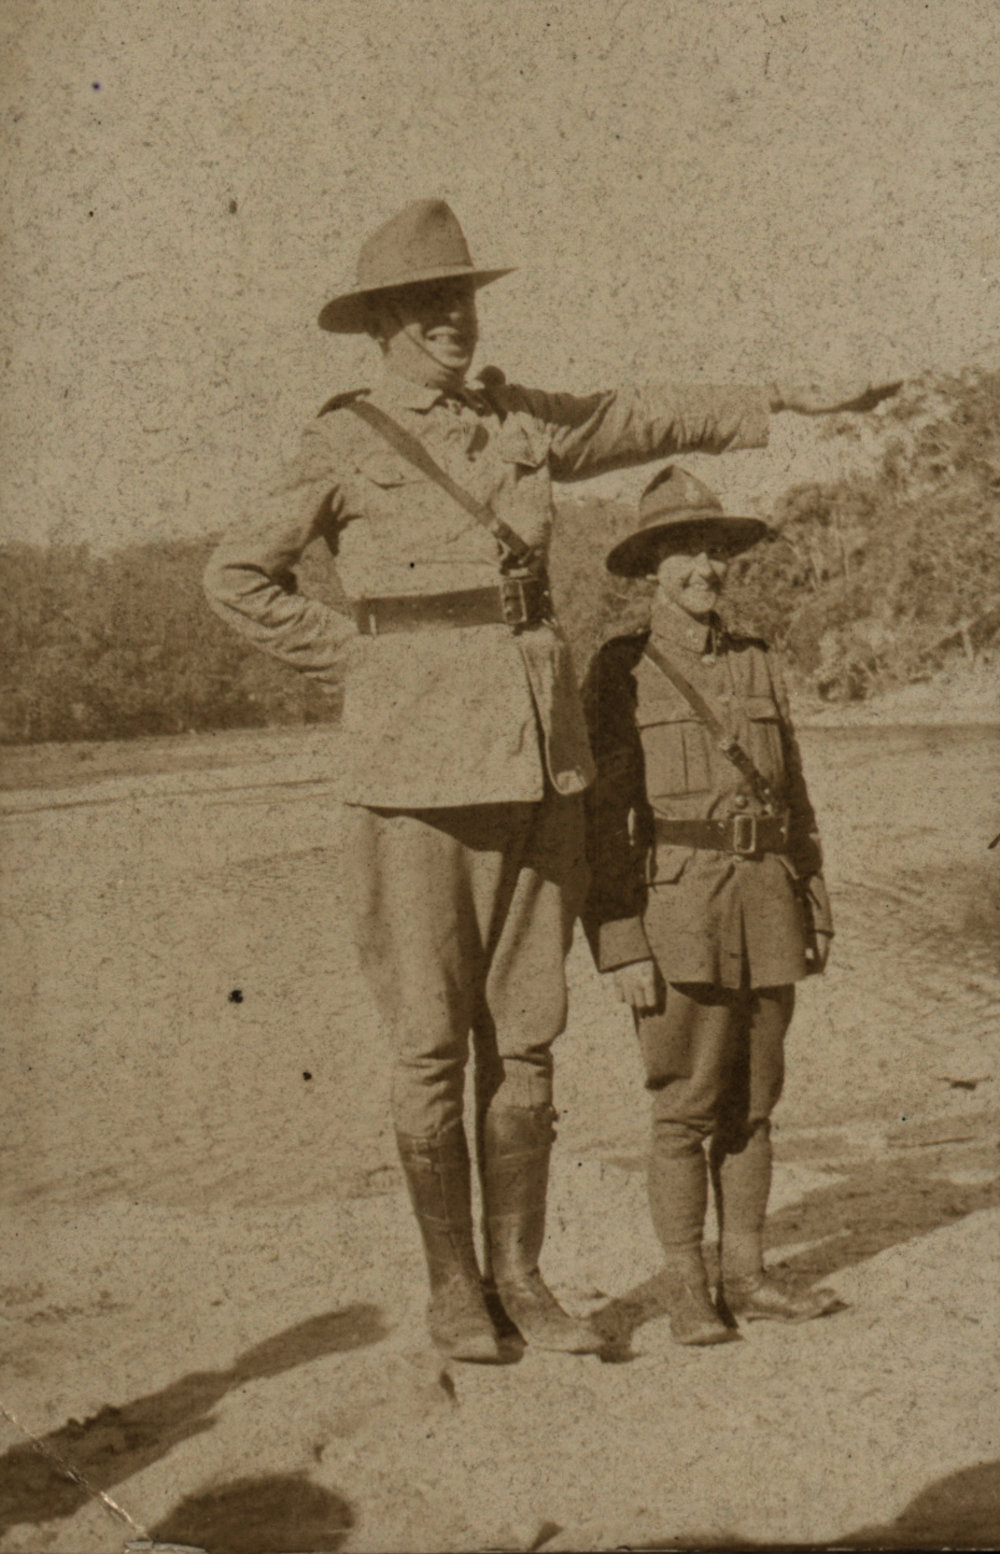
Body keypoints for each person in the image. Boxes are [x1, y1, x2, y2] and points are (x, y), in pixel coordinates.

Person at [204, 197, 889, 1363]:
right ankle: (452, 1290)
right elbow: (236, 580)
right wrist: (369, 665)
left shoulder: (517, 421)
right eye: (430, 304)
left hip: (540, 769)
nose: (455, 320)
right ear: (382, 323)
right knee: (431, 1043)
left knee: (526, 1040)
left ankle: (522, 1278)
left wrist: (783, 397)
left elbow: (638, 413)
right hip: (415, 785)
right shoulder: (343, 442)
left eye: (464, 299)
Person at [582, 464, 843, 1347]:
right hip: (679, 917)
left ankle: (749, 1277)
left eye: (713, 551)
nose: (704, 568)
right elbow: (600, 820)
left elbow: (793, 794)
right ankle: (688, 1293)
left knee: (755, 1104)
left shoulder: (757, 659)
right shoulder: (620, 669)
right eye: (683, 553)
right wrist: (620, 940)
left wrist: (813, 897)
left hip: (768, 905)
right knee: (684, 1107)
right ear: (651, 568)